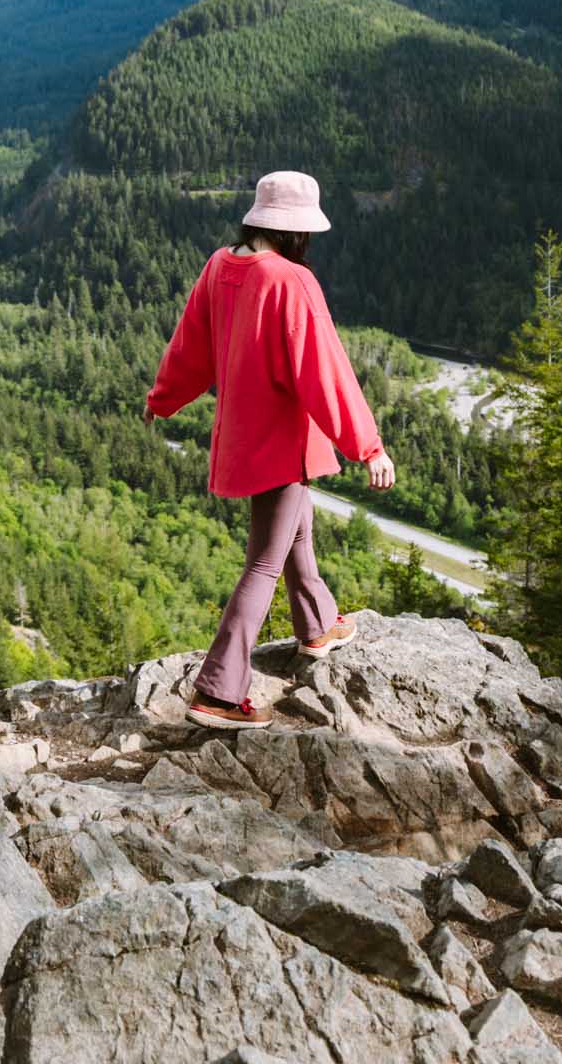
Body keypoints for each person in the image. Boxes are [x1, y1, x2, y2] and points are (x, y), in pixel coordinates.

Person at [144, 169, 396, 730]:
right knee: (264, 561)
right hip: (282, 443)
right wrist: (368, 447)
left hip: (242, 438)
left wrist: (163, 400)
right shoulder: (292, 281)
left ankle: (318, 626)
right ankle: (219, 690)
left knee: (294, 529)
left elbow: (191, 348)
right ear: (296, 231)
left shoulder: (221, 265)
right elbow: (325, 372)